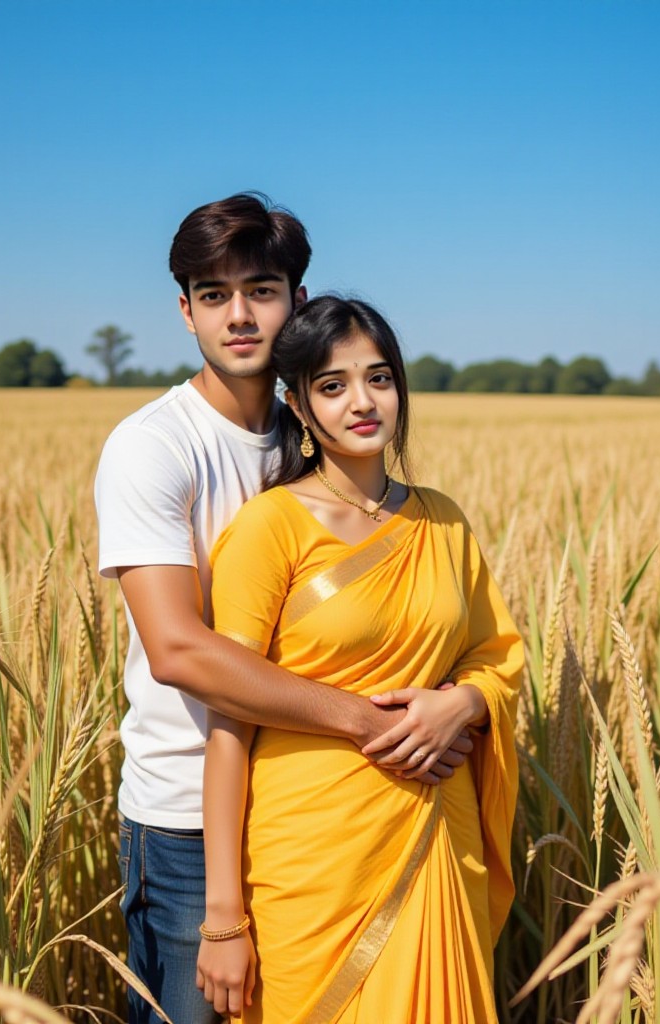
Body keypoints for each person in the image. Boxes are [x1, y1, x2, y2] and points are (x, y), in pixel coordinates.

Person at [95, 196, 475, 1024]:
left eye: (261, 289)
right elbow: (182, 654)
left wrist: (464, 701)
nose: (239, 315)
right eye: (212, 294)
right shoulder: (152, 447)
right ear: (184, 310)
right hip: (189, 816)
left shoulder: (315, 435)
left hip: (331, 809)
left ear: (296, 301)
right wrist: (376, 725)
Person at [197, 296, 524, 1023]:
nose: (363, 401)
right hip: (311, 854)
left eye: (379, 378)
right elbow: (230, 720)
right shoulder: (270, 527)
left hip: (437, 826)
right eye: (333, 385)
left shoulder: (440, 518)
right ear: (298, 405)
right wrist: (224, 919)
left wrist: (463, 704)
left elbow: (493, 655)